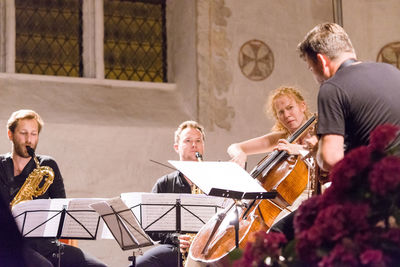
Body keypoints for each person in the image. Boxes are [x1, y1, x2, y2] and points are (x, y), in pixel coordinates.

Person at [0, 109, 107, 267]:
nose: (29, 140)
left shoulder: (47, 165)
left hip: (47, 246)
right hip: (14, 245)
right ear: (10, 134)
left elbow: (63, 206)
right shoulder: (1, 166)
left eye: (34, 134)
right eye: (23, 133)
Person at [297, 22, 400, 171]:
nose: (314, 76)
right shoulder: (392, 71)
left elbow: (331, 159)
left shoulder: (332, 88)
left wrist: (317, 150)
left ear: (322, 61)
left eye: (311, 68)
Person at [227, 86, 319, 240]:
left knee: (273, 234)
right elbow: (234, 147)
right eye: (281, 112)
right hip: (283, 205)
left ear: (302, 106)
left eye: (290, 108)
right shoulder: (283, 138)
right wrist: (240, 154)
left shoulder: (319, 133)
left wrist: (298, 149)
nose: (287, 115)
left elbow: (323, 154)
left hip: (308, 202)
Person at [136, 120, 206, 267]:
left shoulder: (216, 181)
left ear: (203, 146)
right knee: (142, 263)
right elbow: (150, 227)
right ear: (177, 147)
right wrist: (175, 238)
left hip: (209, 248)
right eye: (188, 141)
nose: (194, 145)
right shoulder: (164, 183)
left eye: (198, 141)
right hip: (176, 248)